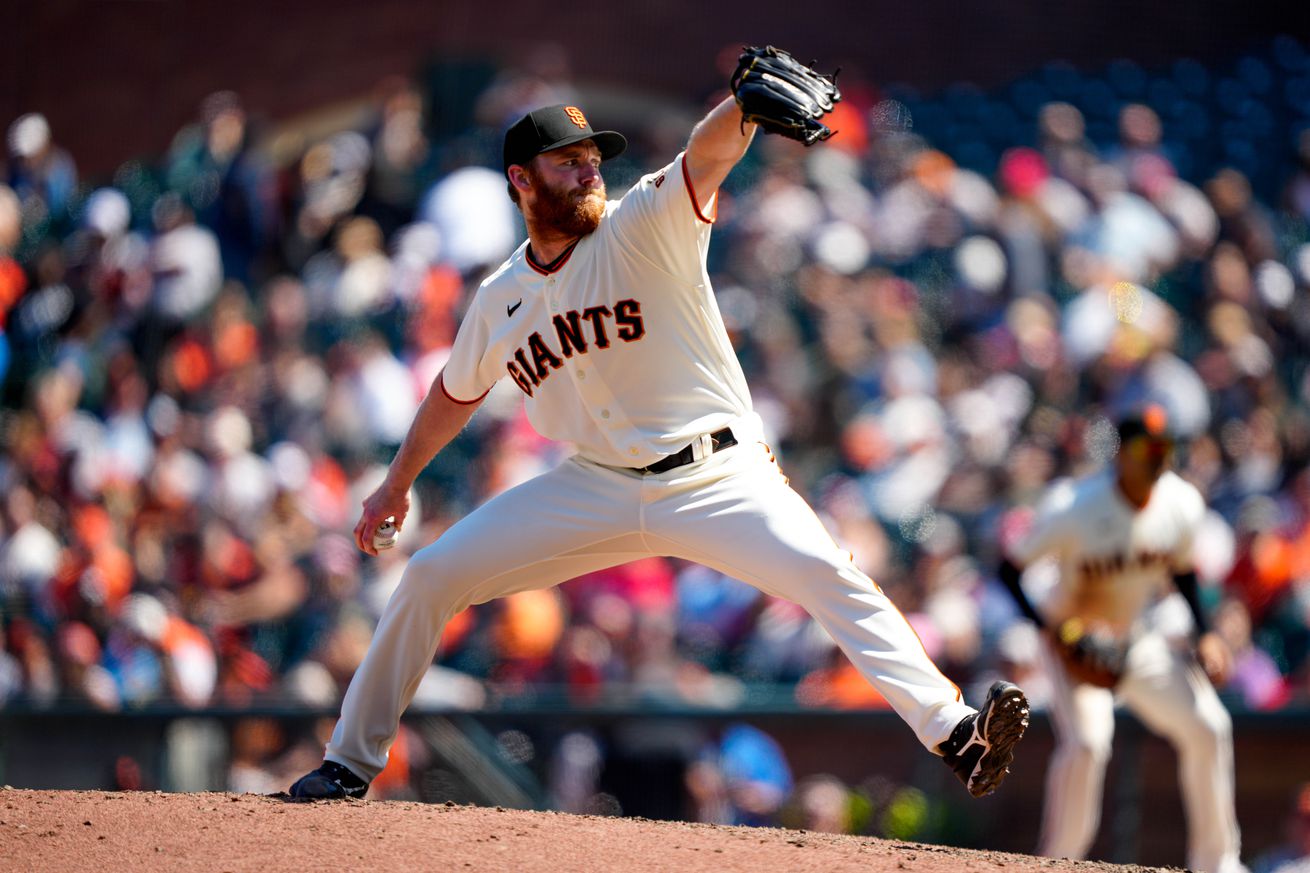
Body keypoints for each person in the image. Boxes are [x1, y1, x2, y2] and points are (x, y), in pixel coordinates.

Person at [289, 53, 1029, 803]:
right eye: (568, 161)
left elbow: (703, 159)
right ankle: (349, 761)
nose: (588, 173)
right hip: (595, 483)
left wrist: (740, 110)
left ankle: (956, 733)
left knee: (827, 574)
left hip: (718, 474)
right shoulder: (500, 297)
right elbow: (454, 394)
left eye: (592, 160)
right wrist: (396, 483)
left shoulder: (642, 223)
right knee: (429, 575)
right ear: (521, 179)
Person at [998, 406, 1247, 873]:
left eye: (1163, 449)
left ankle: (1219, 862)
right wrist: (1054, 631)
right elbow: (1009, 570)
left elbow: (1185, 572)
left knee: (1209, 726)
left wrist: (1207, 631)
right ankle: (1057, 863)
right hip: (1072, 638)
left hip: (1136, 634)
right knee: (1090, 743)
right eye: (1143, 449)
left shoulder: (1181, 503)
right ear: (1120, 454)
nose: (1155, 459)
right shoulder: (1074, 506)